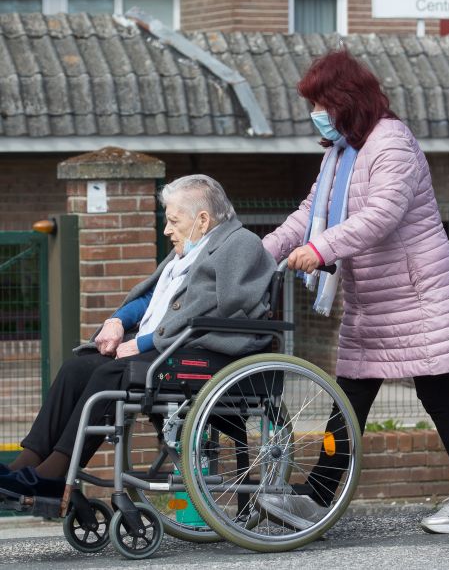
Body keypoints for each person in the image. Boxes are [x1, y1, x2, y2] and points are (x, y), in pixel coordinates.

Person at [259, 50, 449, 534]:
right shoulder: (341, 152)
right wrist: (256, 255)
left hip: (418, 296)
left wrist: (320, 249)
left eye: (320, 103)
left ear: (345, 99)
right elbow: (309, 212)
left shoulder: (392, 144)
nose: (316, 115)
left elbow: (381, 216)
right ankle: (319, 495)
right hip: (374, 301)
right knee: (349, 398)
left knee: (439, 394)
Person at [0, 174, 276, 498]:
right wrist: (117, 321)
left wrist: (145, 342)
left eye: (173, 220)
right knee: (77, 367)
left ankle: (55, 473)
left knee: (109, 373)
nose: (166, 230)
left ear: (202, 219)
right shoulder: (188, 251)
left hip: (206, 352)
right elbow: (151, 299)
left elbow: (215, 309)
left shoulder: (240, 244)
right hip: (170, 347)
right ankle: (27, 463)